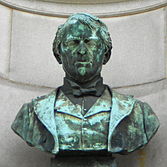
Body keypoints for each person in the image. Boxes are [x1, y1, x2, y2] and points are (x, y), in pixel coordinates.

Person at [11, 13, 159, 157]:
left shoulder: (138, 113)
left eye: (91, 43)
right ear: (58, 54)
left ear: (105, 54)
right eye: (73, 42)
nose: (82, 51)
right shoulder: (32, 114)